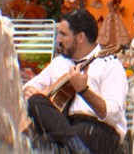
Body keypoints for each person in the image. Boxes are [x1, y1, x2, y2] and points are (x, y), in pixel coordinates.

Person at [24, 9, 127, 154]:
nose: (58, 39)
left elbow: (113, 115)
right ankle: (76, 148)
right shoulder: (59, 62)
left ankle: (71, 146)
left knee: (47, 145)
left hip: (98, 130)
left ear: (80, 37)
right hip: (63, 127)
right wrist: (29, 91)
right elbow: (30, 87)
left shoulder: (110, 65)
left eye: (63, 34)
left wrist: (83, 91)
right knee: (35, 101)